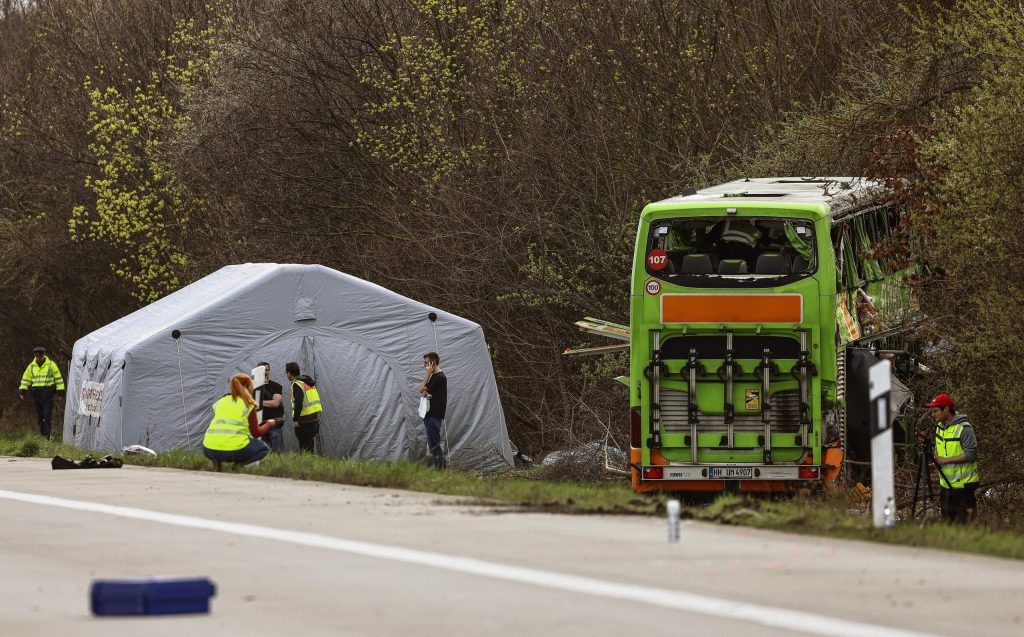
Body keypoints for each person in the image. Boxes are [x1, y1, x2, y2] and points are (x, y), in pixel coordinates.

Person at [925, 393, 980, 523]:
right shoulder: (939, 428)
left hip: (963, 487)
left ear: (946, 409)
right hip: (946, 486)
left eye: (935, 411)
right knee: (948, 527)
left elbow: (971, 455)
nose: (933, 414)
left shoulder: (964, 429)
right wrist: (937, 461)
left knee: (965, 527)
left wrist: (944, 460)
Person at [201, 373, 275, 470]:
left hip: (208, 449)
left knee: (220, 443)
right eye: (252, 386)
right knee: (263, 448)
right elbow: (256, 433)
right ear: (248, 387)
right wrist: (269, 423)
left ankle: (217, 464)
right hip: (233, 450)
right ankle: (237, 467)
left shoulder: (220, 401)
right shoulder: (248, 404)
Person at [19, 346, 65, 439]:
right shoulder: (31, 367)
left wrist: (60, 393)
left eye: (41, 356)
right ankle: (42, 435)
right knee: (40, 417)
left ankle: (47, 437)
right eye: (37, 356)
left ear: (44, 355)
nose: (39, 358)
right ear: (35, 356)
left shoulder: (51, 365)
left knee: (46, 415)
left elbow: (58, 379)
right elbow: (25, 379)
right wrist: (22, 392)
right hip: (37, 395)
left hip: (48, 394)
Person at [419, 352, 448, 469]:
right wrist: (426, 391)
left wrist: (427, 375)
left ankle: (440, 470)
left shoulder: (439, 377)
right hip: (431, 415)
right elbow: (423, 390)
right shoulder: (435, 377)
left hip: (433, 416)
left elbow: (421, 388)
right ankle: (441, 468)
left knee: (434, 445)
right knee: (433, 444)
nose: (424, 366)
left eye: (426, 363)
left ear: (433, 363)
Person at [285, 362, 322, 453]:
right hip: (313, 419)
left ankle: (307, 467)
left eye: (286, 373)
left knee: (305, 450)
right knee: (309, 448)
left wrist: (295, 420)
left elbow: (298, 403)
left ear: (289, 373)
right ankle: (310, 466)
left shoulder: (297, 384)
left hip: (304, 421)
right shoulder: (307, 382)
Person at [254, 361, 285, 452]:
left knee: (278, 452)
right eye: (263, 370)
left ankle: (279, 467)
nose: (265, 372)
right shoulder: (251, 386)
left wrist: (257, 402)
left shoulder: (276, 386)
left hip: (273, 425)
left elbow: (276, 403)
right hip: (258, 426)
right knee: (261, 453)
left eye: (267, 370)